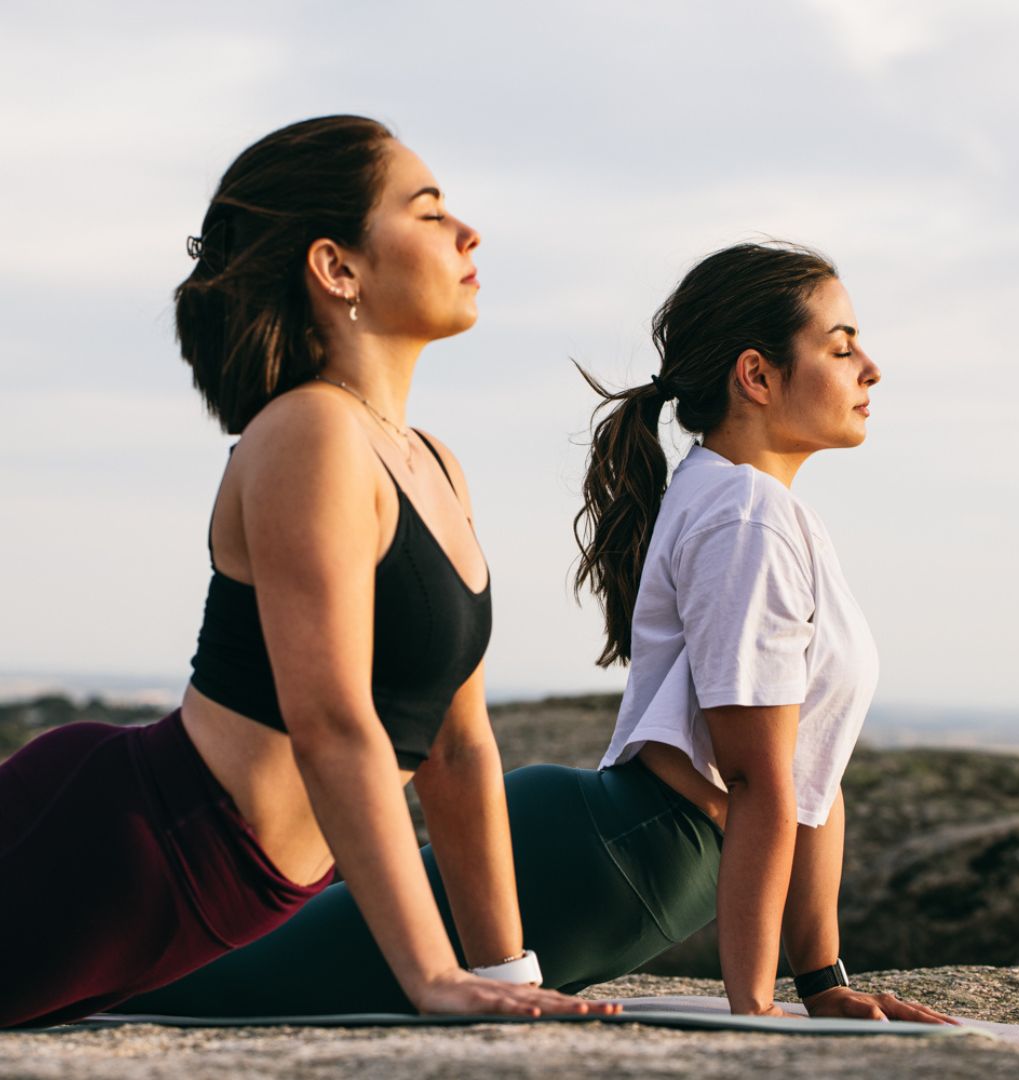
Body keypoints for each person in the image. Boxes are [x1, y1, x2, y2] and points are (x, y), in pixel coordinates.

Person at [113, 243, 956, 1026]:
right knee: (196, 988)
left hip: (630, 859)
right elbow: (757, 774)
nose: (870, 366)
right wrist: (755, 1012)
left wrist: (822, 981)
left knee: (232, 978)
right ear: (757, 376)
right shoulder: (744, 516)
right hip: (605, 854)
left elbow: (815, 776)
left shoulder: (766, 514)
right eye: (842, 346)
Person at [0, 115, 611, 1028]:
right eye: (430, 210)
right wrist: (432, 977)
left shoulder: (435, 465)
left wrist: (506, 974)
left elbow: (457, 749)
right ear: (338, 268)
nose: (468, 232)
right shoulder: (309, 432)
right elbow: (331, 721)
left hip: (214, 893)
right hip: (128, 848)